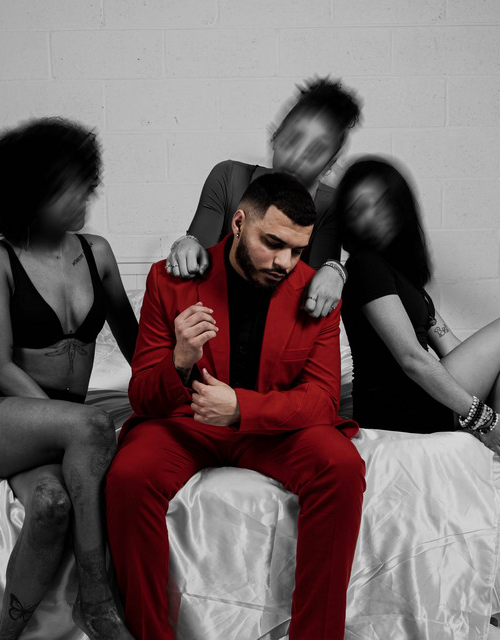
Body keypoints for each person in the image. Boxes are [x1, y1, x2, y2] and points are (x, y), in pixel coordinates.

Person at [106, 172, 366, 640]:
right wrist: (180, 360)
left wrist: (241, 408)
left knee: (342, 465)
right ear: (240, 223)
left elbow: (323, 400)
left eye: (298, 250)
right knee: (128, 475)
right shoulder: (169, 279)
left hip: (272, 430)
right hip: (185, 425)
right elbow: (142, 397)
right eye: (273, 243)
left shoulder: (316, 291)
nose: (285, 262)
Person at [0, 118, 137, 640]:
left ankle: (2, 638)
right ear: (30, 194)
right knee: (91, 426)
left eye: (82, 183)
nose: (81, 196)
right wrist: (66, 423)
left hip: (61, 429)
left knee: (51, 506)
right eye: (64, 188)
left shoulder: (97, 252)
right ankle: (97, 600)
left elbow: (137, 345)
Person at [166, 76, 361, 318]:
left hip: (281, 328)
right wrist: (186, 244)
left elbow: (314, 295)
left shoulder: (329, 206)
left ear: (329, 165)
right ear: (275, 136)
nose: (297, 157)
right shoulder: (227, 177)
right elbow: (197, 269)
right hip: (212, 320)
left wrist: (336, 270)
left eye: (314, 152)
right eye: (292, 140)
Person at [339, 156, 500, 450]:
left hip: (420, 398)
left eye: (382, 203)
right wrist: (483, 418)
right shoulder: (365, 266)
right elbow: (411, 359)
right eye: (360, 208)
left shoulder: (408, 282)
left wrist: (487, 398)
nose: (374, 215)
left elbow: (452, 348)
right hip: (397, 407)